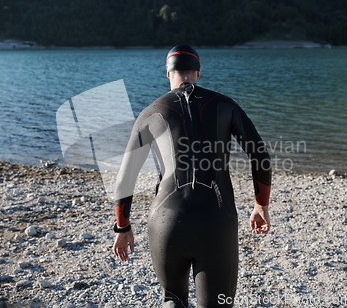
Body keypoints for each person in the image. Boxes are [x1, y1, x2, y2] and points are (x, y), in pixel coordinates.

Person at [112, 44, 271, 307]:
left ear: (168, 74)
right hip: (216, 220)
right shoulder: (224, 105)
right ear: (198, 73)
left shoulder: (151, 112)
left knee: (172, 300)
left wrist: (123, 227)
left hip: (166, 220)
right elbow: (260, 156)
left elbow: (125, 177)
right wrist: (261, 205)